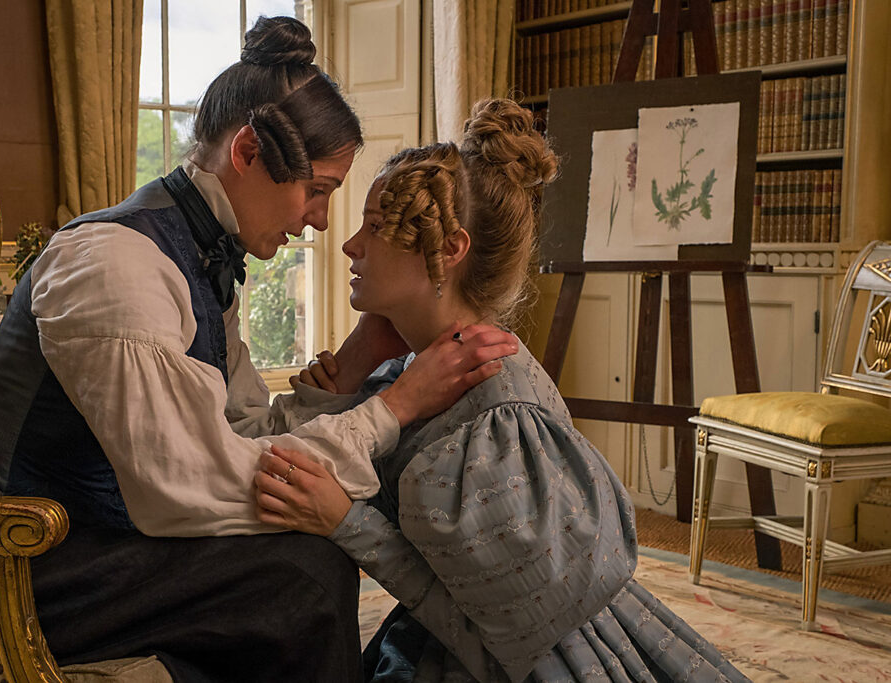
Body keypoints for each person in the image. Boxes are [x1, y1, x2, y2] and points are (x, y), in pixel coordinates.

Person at [0, 16, 518, 682]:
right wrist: (394, 406)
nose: (322, 220)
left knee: (295, 574)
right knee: (302, 576)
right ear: (248, 153)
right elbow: (191, 487)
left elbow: (240, 434)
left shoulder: (200, 260)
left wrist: (358, 365)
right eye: (318, 190)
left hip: (92, 536)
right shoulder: (117, 267)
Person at [255, 98, 751, 682]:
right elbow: (278, 460)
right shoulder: (409, 374)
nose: (350, 245)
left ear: (448, 250)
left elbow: (511, 650)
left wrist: (348, 524)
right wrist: (355, 360)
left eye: (375, 225)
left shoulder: (496, 417)